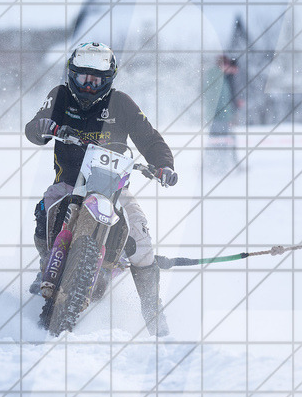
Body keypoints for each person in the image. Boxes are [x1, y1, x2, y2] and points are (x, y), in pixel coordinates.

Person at [25, 42, 177, 336]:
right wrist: (45, 126)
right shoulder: (59, 97)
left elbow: (150, 139)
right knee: (45, 211)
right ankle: (47, 261)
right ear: (72, 75)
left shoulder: (122, 103)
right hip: (69, 183)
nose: (89, 85)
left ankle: (153, 312)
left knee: (142, 240)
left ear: (109, 79)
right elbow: (35, 128)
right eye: (83, 77)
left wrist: (163, 166)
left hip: (114, 188)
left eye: (96, 79)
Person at [201, 54, 240, 166]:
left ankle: (217, 166)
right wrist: (227, 116)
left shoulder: (220, 76)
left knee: (219, 143)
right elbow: (218, 99)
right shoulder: (216, 76)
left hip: (221, 117)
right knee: (218, 143)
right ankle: (215, 167)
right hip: (219, 118)